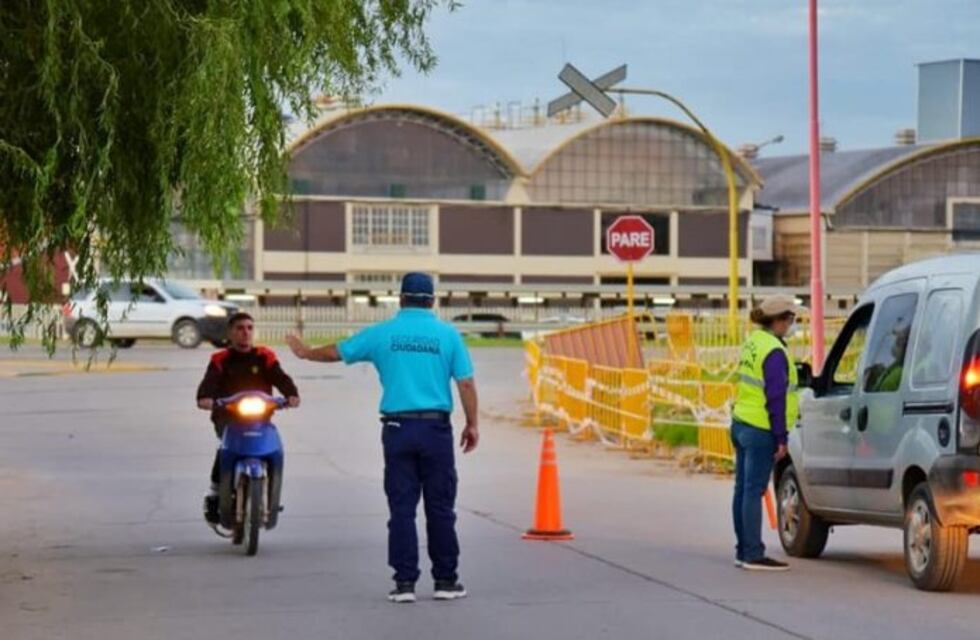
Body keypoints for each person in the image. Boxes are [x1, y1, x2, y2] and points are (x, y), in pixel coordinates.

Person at [285, 272, 478, 604]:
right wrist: (472, 424)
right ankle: (446, 581)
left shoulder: (383, 333)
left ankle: (404, 583)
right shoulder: (448, 336)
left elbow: (339, 351)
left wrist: (305, 352)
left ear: (400, 299)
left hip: (398, 429)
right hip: (435, 430)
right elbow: (466, 383)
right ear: (432, 301)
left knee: (401, 509)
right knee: (441, 508)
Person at [196, 312, 300, 525]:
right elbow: (208, 384)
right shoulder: (220, 359)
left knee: (273, 448)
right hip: (228, 417)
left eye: (250, 328)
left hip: (260, 417)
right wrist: (206, 399)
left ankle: (271, 495)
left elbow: (281, 378)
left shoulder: (265, 356)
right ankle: (215, 492)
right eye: (240, 328)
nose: (245, 332)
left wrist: (291, 395)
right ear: (230, 333)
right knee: (224, 448)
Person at [730, 294, 804, 572]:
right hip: (761, 428)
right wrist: (780, 437)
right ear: (779, 320)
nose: (792, 324)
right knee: (753, 490)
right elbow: (776, 397)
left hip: (741, 422)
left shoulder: (754, 341)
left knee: (743, 490)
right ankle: (752, 553)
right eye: (791, 319)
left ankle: (743, 550)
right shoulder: (774, 351)